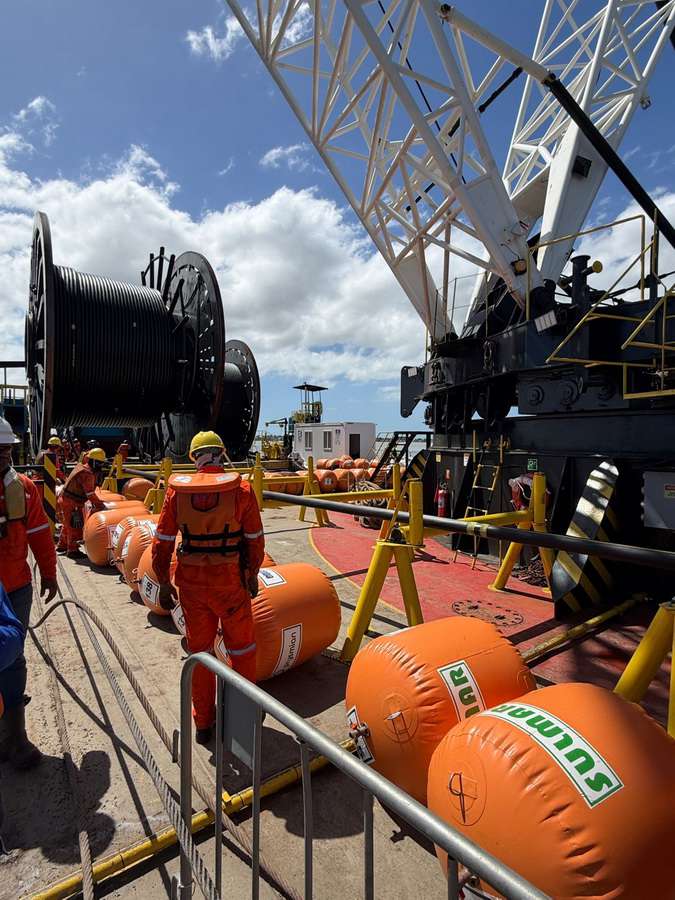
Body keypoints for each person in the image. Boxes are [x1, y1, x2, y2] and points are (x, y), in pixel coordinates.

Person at [151, 431, 265, 744]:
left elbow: (161, 542)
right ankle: (244, 719)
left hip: (191, 586)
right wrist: (252, 573)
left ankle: (203, 723)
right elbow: (255, 540)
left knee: (200, 653)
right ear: (220, 454)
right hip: (230, 584)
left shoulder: (178, 493)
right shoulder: (240, 489)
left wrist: (162, 580)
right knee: (242, 651)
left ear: (195, 459)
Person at [0, 417, 58, 769]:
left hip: (15, 588)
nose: (3, 456)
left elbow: (39, 534)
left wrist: (49, 573)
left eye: (6, 449)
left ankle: (15, 738)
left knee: (12, 657)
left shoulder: (23, 488)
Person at [57, 447, 107, 558]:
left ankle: (62, 545)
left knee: (68, 524)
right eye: (100, 463)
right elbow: (90, 494)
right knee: (75, 527)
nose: (101, 466)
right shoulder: (87, 474)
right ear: (95, 462)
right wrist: (102, 505)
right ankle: (72, 550)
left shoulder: (80, 466)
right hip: (72, 502)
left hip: (66, 499)